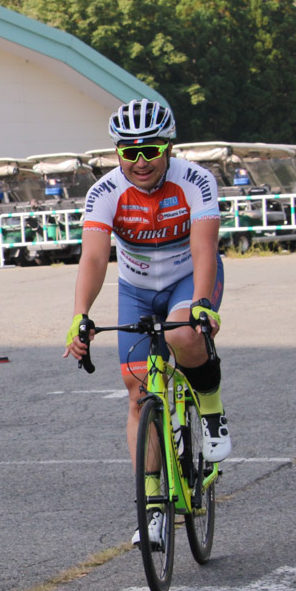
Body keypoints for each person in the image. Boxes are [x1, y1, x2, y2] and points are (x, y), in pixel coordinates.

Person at [64, 99, 231, 548]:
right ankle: (154, 508)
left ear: (169, 147)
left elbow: (203, 248)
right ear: (118, 152)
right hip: (135, 289)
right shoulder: (104, 192)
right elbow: (95, 257)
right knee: (139, 394)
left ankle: (212, 415)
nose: (140, 161)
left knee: (182, 334)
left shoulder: (195, 180)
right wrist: (81, 314)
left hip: (187, 280)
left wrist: (201, 303)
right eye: (130, 151)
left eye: (151, 150)